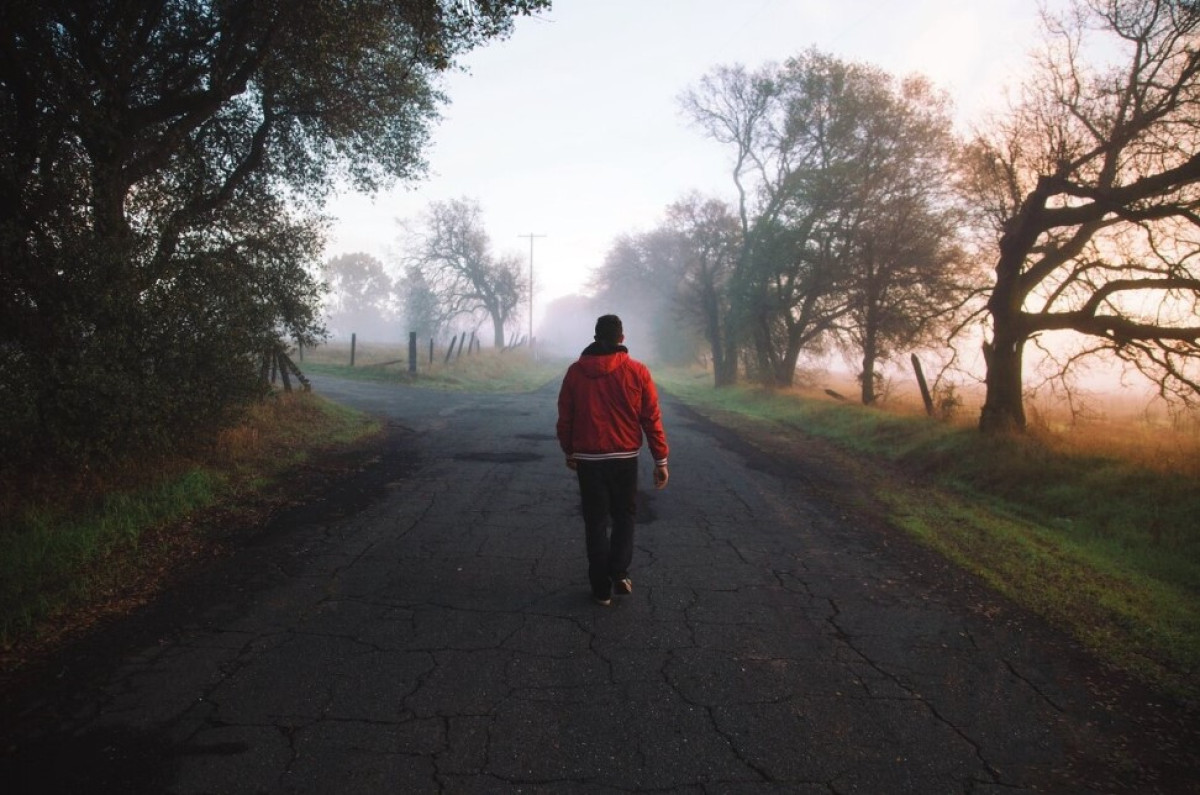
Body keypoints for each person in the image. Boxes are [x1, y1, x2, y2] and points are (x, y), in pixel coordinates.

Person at [556, 314, 669, 606]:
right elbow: (650, 417)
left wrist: (569, 450)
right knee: (624, 515)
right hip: (624, 457)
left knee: (595, 521)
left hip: (588, 458)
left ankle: (601, 589)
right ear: (622, 338)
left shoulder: (575, 373)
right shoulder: (638, 371)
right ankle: (619, 571)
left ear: (596, 336)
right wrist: (661, 459)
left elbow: (565, 416)